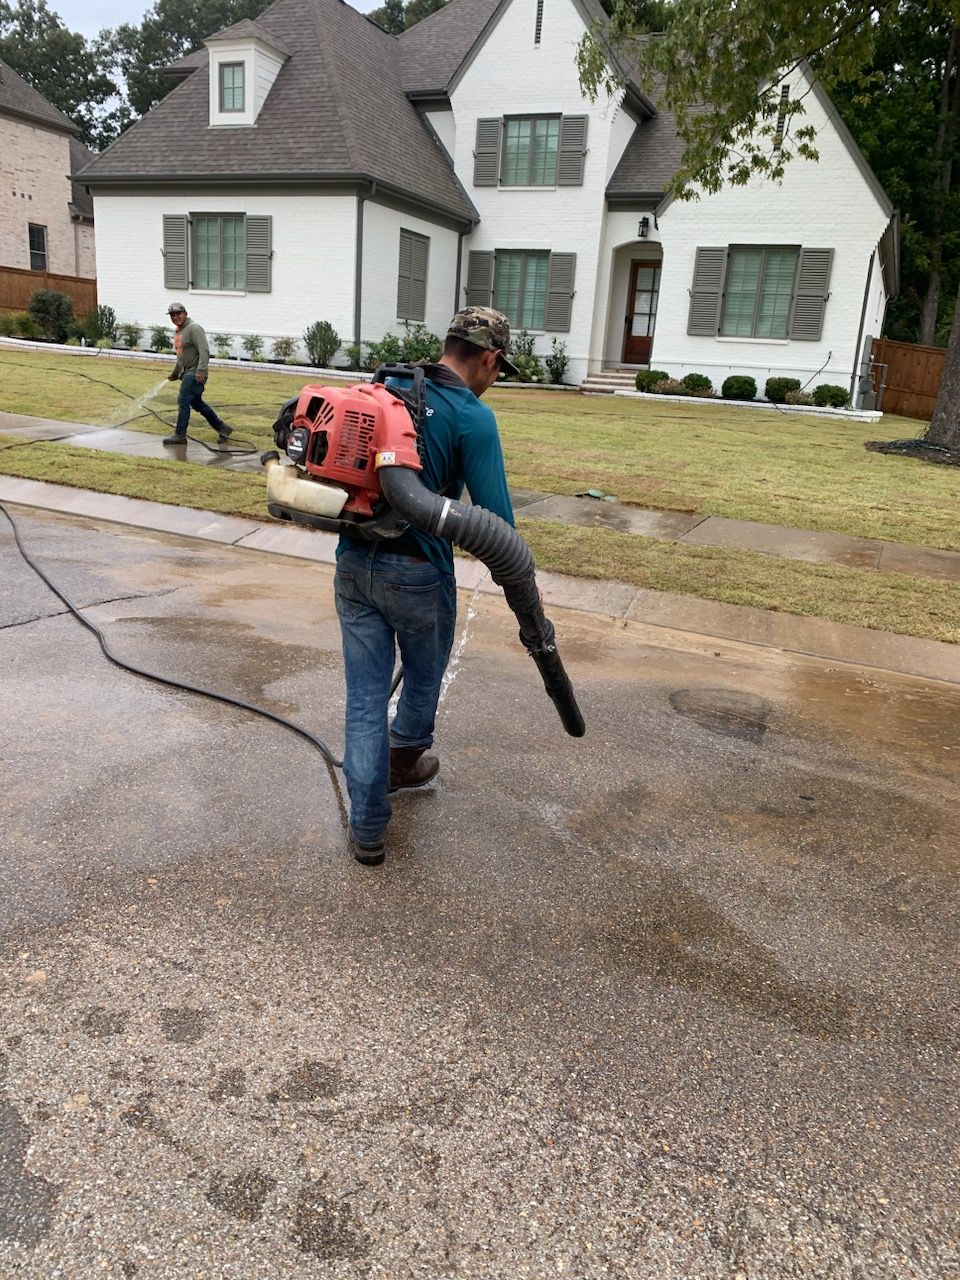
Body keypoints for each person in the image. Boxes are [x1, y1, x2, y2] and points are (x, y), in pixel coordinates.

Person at [335, 305, 520, 866]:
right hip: (418, 571)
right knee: (422, 678)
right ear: (488, 359)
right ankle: (403, 761)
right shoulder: (471, 416)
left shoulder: (384, 384)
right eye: (497, 369)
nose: (493, 380)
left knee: (365, 697)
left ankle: (367, 828)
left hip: (352, 562)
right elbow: (496, 522)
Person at [161, 303, 232, 445]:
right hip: (187, 372)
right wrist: (175, 373)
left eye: (178, 314)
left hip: (195, 372)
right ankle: (222, 427)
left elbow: (204, 350)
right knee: (196, 403)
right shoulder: (179, 331)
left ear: (185, 313)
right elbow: (181, 356)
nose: (175, 317)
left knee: (183, 400)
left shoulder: (194, 328)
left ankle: (180, 434)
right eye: (172, 315)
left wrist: (201, 371)